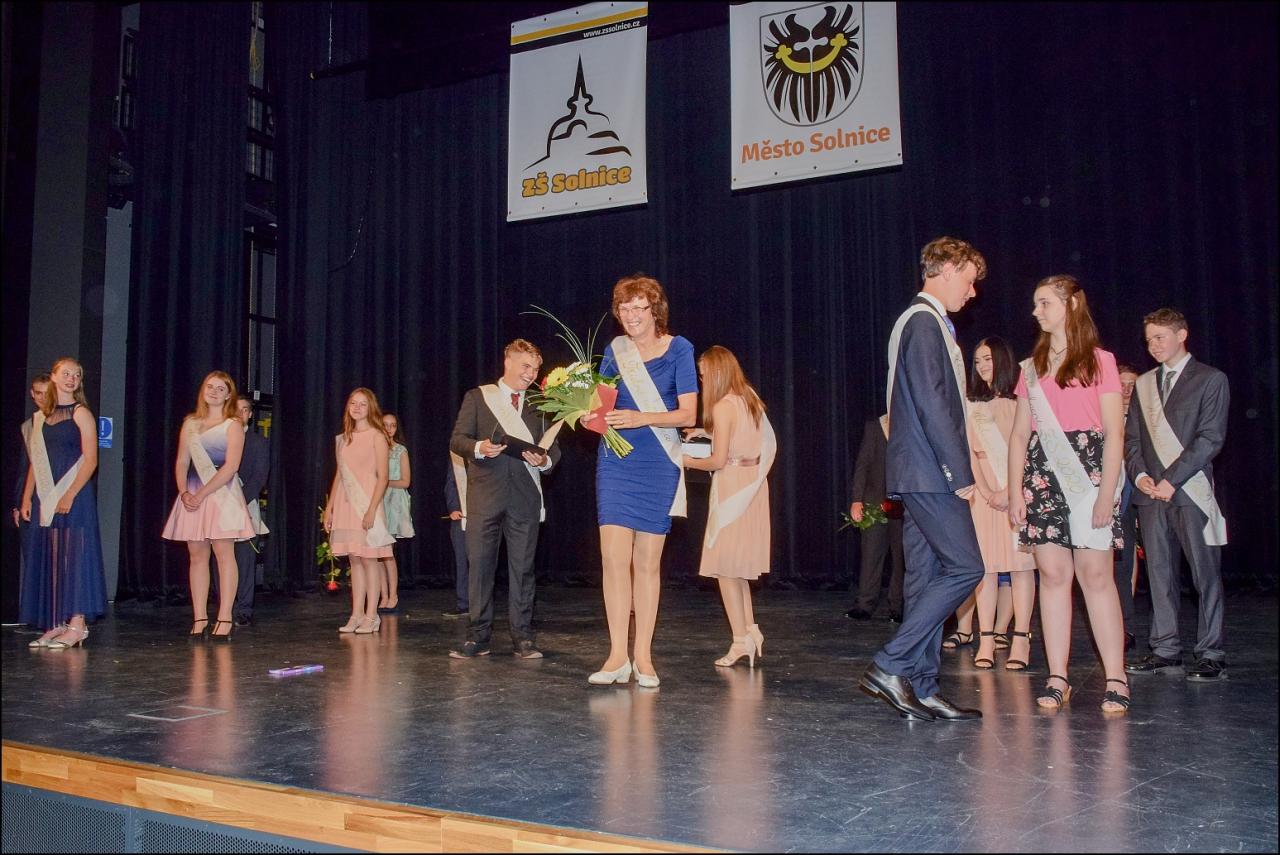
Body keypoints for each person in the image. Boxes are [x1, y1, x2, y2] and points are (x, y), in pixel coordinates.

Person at [859, 237, 987, 722]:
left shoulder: (923, 322)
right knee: (966, 568)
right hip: (932, 470)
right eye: (969, 281)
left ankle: (921, 684)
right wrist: (958, 471)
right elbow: (933, 402)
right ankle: (891, 664)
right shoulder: (924, 322)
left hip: (917, 470)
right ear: (948, 269)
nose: (972, 293)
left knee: (926, 578)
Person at [1008, 275, 1130, 714]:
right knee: (1053, 576)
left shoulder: (1101, 362)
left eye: (1045, 303)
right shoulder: (1030, 368)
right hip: (1043, 477)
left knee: (1096, 576)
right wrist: (1016, 490)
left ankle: (1116, 676)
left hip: (1089, 475)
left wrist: (1106, 493)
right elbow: (1020, 435)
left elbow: (1115, 433)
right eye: (1035, 304)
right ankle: (1057, 676)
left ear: (1072, 304)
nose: (1036, 311)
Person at [589, 275, 698, 688]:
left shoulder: (680, 348)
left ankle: (643, 656)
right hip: (616, 460)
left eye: (639, 307)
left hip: (657, 462)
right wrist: (583, 411)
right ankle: (617, 655)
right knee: (613, 559)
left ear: (655, 311)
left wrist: (641, 417)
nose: (631, 315)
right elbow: (600, 407)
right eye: (625, 308)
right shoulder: (614, 351)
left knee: (647, 563)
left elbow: (688, 414)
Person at [1124, 309, 1229, 681]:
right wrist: (1140, 477)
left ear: (1182, 335)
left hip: (1189, 492)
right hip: (1151, 495)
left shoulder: (1210, 379)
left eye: (1160, 337)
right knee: (1159, 575)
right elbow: (1132, 440)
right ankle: (1165, 649)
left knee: (1205, 575)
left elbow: (1210, 439)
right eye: (1149, 340)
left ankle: (1211, 652)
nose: (1153, 346)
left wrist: (1172, 479)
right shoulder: (1144, 384)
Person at [448, 340, 560, 659]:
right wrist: (480, 447)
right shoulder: (478, 397)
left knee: (523, 570)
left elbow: (553, 448)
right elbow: (458, 440)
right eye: (525, 366)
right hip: (485, 496)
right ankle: (478, 636)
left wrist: (545, 460)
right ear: (507, 362)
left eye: (535, 369)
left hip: (525, 497)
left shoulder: (541, 403)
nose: (531, 374)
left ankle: (523, 638)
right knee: (480, 568)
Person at [682, 345, 775, 668]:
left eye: (704, 374)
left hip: (733, 486)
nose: (702, 380)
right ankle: (749, 631)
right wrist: (705, 431)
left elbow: (718, 460)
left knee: (724, 568)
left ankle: (739, 640)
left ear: (718, 372)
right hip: (753, 485)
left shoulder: (722, 406)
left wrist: (685, 460)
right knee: (738, 568)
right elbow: (743, 436)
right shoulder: (749, 398)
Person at [162, 371, 257, 641]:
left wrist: (202, 494)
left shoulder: (232, 425)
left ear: (228, 395)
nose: (214, 391)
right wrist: (184, 492)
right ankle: (200, 617)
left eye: (220, 388)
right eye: (210, 386)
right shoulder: (190, 423)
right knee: (197, 556)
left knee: (224, 554)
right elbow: (182, 461)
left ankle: (225, 616)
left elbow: (231, 466)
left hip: (220, 494)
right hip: (192, 494)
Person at [19, 358, 107, 649]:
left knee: (74, 557)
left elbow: (91, 460)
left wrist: (69, 494)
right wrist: (26, 497)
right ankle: (56, 622)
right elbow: (36, 462)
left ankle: (78, 624)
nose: (71, 378)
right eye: (66, 373)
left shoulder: (81, 413)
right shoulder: (41, 417)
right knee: (52, 557)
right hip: (46, 495)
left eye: (76, 375)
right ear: (54, 377)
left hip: (74, 494)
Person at [963, 336, 1037, 671]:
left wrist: (1010, 490)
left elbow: (1029, 449)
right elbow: (970, 454)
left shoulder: (1022, 401)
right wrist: (986, 490)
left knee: (1021, 566)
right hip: (983, 497)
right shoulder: (971, 405)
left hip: (1017, 494)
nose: (981, 366)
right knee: (987, 569)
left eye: (988, 359)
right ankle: (987, 639)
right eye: (977, 360)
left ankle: (1021, 638)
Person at [324, 388, 394, 635]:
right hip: (345, 504)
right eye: (353, 403)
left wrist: (372, 510)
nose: (357, 407)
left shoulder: (377, 436)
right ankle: (356, 614)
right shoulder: (343, 438)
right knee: (355, 560)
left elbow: (383, 477)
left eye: (362, 404)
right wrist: (330, 507)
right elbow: (339, 475)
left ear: (370, 408)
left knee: (369, 559)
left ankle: (372, 615)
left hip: (367, 502)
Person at [845, 415, 905, 623]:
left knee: (901, 558)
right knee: (871, 555)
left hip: (903, 505)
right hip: (875, 504)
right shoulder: (875, 428)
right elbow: (862, 466)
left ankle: (898, 606)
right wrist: (857, 500)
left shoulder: (910, 424)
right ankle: (864, 605)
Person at [11, 374, 50, 625]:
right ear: (32, 395)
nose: (43, 398)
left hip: (58, 496)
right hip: (32, 499)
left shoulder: (68, 420)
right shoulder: (29, 425)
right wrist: (18, 503)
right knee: (33, 557)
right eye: (39, 393)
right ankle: (37, 615)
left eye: (47, 392)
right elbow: (25, 467)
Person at [231, 394, 269, 626]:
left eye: (244, 409)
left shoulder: (258, 442)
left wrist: (238, 500)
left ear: (251, 415)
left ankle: (244, 609)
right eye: (235, 409)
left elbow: (259, 478)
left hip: (245, 505)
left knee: (245, 559)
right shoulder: (218, 440)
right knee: (221, 558)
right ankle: (226, 607)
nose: (239, 413)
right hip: (219, 506)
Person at [1114, 363, 1141, 650]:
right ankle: (1124, 625)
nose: (1126, 390)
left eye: (1132, 384)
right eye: (1121, 384)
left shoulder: (1146, 417)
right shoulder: (1103, 416)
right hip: (1119, 496)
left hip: (1146, 494)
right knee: (1122, 562)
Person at [377, 412, 414, 614]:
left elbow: (405, 481)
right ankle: (383, 595)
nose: (389, 429)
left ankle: (393, 595)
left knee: (387, 551)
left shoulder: (400, 450)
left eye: (393, 425)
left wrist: (383, 482)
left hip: (392, 502)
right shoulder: (374, 449)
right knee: (377, 553)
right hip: (377, 501)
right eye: (385, 424)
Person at [443, 456, 469, 618]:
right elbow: (451, 483)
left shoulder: (490, 451)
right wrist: (453, 507)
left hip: (485, 515)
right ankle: (464, 603)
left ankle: (481, 605)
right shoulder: (457, 455)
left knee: (481, 562)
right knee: (461, 560)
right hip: (461, 515)